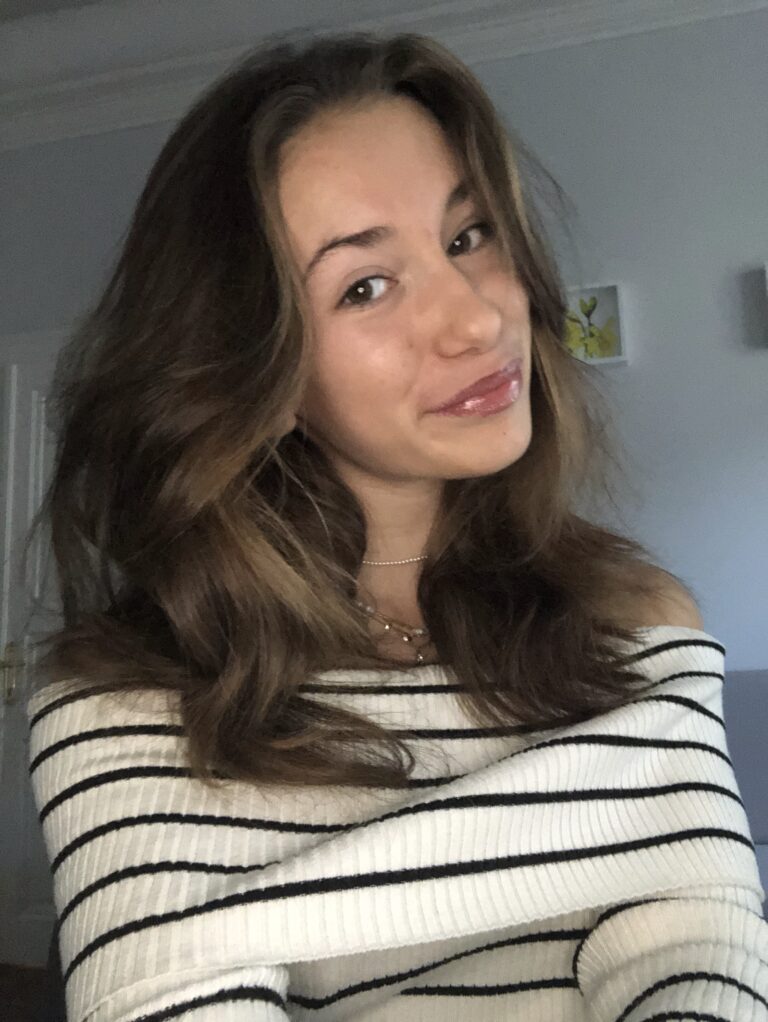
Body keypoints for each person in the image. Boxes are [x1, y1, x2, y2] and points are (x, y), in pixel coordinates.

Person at [23, 30, 767, 1021]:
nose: (477, 319)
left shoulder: (638, 615)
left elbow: (694, 942)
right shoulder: (132, 699)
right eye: (364, 286)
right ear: (259, 368)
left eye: (468, 236)